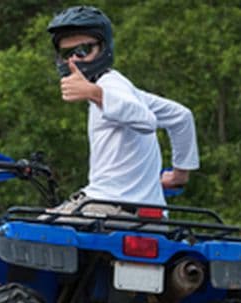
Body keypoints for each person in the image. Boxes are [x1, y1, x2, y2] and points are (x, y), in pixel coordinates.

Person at [46, 5, 199, 216]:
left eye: (83, 50)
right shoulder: (124, 88)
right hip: (148, 212)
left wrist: (95, 94)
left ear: (103, 48)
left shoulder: (109, 85)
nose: (74, 60)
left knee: (20, 230)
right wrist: (179, 175)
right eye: (67, 53)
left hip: (110, 207)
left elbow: (146, 121)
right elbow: (181, 117)